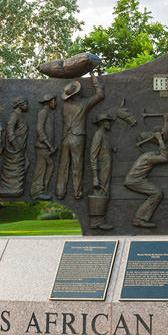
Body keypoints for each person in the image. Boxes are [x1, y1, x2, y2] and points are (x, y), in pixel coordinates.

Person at [56, 72, 104, 200]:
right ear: (77, 93)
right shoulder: (84, 103)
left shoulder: (64, 106)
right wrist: (94, 78)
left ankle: (60, 192)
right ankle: (77, 193)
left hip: (65, 138)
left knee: (63, 166)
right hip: (78, 138)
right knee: (77, 166)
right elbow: (100, 95)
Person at [123, 113, 168, 229]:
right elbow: (165, 157)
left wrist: (166, 122)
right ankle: (139, 219)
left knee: (156, 193)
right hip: (135, 181)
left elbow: (166, 139)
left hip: (137, 180)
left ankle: (139, 218)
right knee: (157, 194)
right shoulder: (149, 156)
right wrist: (160, 139)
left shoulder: (150, 154)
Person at [88, 112, 115, 231]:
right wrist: (95, 176)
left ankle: (100, 220)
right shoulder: (98, 135)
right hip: (100, 171)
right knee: (100, 194)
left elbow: (103, 151)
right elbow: (93, 156)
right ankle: (96, 222)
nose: (109, 123)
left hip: (106, 170)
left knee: (105, 194)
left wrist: (110, 149)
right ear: (102, 123)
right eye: (107, 121)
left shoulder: (104, 135)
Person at [0, 97, 29, 198]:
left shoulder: (20, 115)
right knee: (13, 169)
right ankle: (10, 188)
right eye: (26, 104)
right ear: (20, 105)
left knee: (25, 164)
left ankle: (15, 188)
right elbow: (9, 130)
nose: (27, 106)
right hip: (15, 149)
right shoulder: (14, 115)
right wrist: (16, 147)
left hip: (20, 148)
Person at [30, 94, 56, 200]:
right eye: (54, 101)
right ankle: (36, 191)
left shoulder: (50, 113)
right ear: (49, 102)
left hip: (47, 146)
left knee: (49, 167)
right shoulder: (43, 113)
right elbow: (40, 130)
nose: (56, 103)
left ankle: (42, 189)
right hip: (42, 146)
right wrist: (49, 145)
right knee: (41, 168)